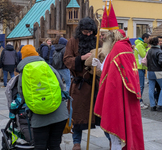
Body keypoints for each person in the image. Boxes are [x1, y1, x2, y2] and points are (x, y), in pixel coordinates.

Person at [93, 29, 145, 150]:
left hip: (117, 95)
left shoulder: (118, 48)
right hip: (123, 93)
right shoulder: (124, 47)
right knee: (121, 132)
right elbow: (112, 70)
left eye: (104, 35)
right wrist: (100, 66)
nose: (101, 37)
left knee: (116, 132)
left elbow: (114, 75)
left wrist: (102, 69)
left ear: (112, 37)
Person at [63, 17, 105, 150]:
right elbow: (67, 60)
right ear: (81, 30)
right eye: (86, 32)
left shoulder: (99, 41)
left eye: (91, 32)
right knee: (78, 115)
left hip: (96, 84)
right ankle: (76, 142)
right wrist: (81, 58)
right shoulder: (72, 41)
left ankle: (111, 140)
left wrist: (99, 64)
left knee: (102, 114)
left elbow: (105, 58)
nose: (88, 34)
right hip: (79, 86)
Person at [17, 45, 68, 150]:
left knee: (40, 146)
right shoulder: (47, 66)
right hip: (59, 113)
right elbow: (61, 86)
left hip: (38, 116)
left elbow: (21, 94)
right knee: (55, 145)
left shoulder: (23, 73)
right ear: (36, 53)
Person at [147, 37, 162, 112]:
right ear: (157, 43)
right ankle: (159, 105)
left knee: (151, 89)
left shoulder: (149, 51)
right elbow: (161, 61)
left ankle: (153, 105)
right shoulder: (159, 50)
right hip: (157, 71)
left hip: (150, 71)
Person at [134, 33, 150, 109]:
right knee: (140, 86)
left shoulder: (141, 44)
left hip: (141, 67)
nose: (149, 40)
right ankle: (139, 102)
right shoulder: (140, 45)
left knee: (141, 85)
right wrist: (149, 48)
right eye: (149, 38)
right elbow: (144, 55)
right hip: (139, 67)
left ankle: (140, 101)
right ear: (145, 38)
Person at [154, 36, 162, 104]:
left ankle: (158, 99)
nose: (161, 42)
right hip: (156, 69)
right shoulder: (153, 48)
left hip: (161, 69)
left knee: (159, 86)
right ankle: (157, 99)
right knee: (156, 86)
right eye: (159, 41)